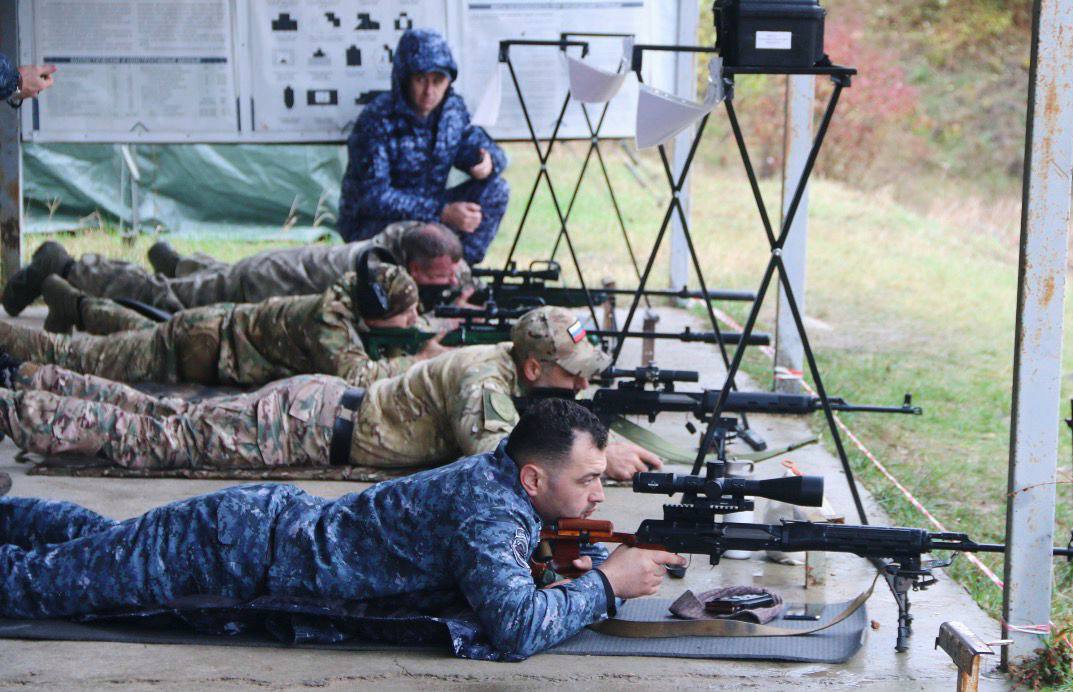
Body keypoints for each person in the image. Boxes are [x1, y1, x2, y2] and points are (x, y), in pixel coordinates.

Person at [0, 399, 687, 659]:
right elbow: (514, 628)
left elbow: (509, 563)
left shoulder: (503, 481)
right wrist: (607, 584)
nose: (600, 493)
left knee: (88, 544)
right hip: (230, 557)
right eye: (589, 480)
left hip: (250, 536)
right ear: (534, 479)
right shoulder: (489, 511)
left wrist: (578, 561)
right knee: (40, 586)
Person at [0, 306, 661, 479]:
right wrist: (595, 458)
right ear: (533, 370)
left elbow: (545, 417)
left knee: (169, 417)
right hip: (307, 427)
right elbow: (497, 462)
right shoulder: (486, 381)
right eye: (573, 372)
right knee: (157, 438)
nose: (584, 382)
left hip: (317, 408)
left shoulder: (506, 362)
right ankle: (20, 408)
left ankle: (45, 382)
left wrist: (602, 437)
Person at [0, 252, 428, 388]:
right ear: (375, 311)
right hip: (195, 347)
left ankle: (72, 304)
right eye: (406, 312)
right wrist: (423, 357)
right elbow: (358, 378)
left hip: (207, 331)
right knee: (77, 356)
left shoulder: (351, 304)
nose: (416, 318)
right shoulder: (329, 322)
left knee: (136, 332)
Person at [2, 222, 470, 317]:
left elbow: (445, 263)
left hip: (275, 268)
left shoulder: (403, 238)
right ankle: (68, 264)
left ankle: (182, 261)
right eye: (440, 277)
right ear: (410, 266)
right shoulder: (380, 273)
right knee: (170, 298)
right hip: (262, 282)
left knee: (199, 280)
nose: (449, 282)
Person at [338, 29, 509, 265]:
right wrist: (442, 212)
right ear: (404, 78)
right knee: (419, 234)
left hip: (432, 212)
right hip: (375, 224)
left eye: (437, 81)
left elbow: (484, 148)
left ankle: (457, 270)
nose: (429, 91)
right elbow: (374, 197)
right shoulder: (377, 119)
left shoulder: (452, 111)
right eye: (421, 80)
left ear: (448, 82)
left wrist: (487, 162)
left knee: (497, 189)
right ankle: (424, 270)